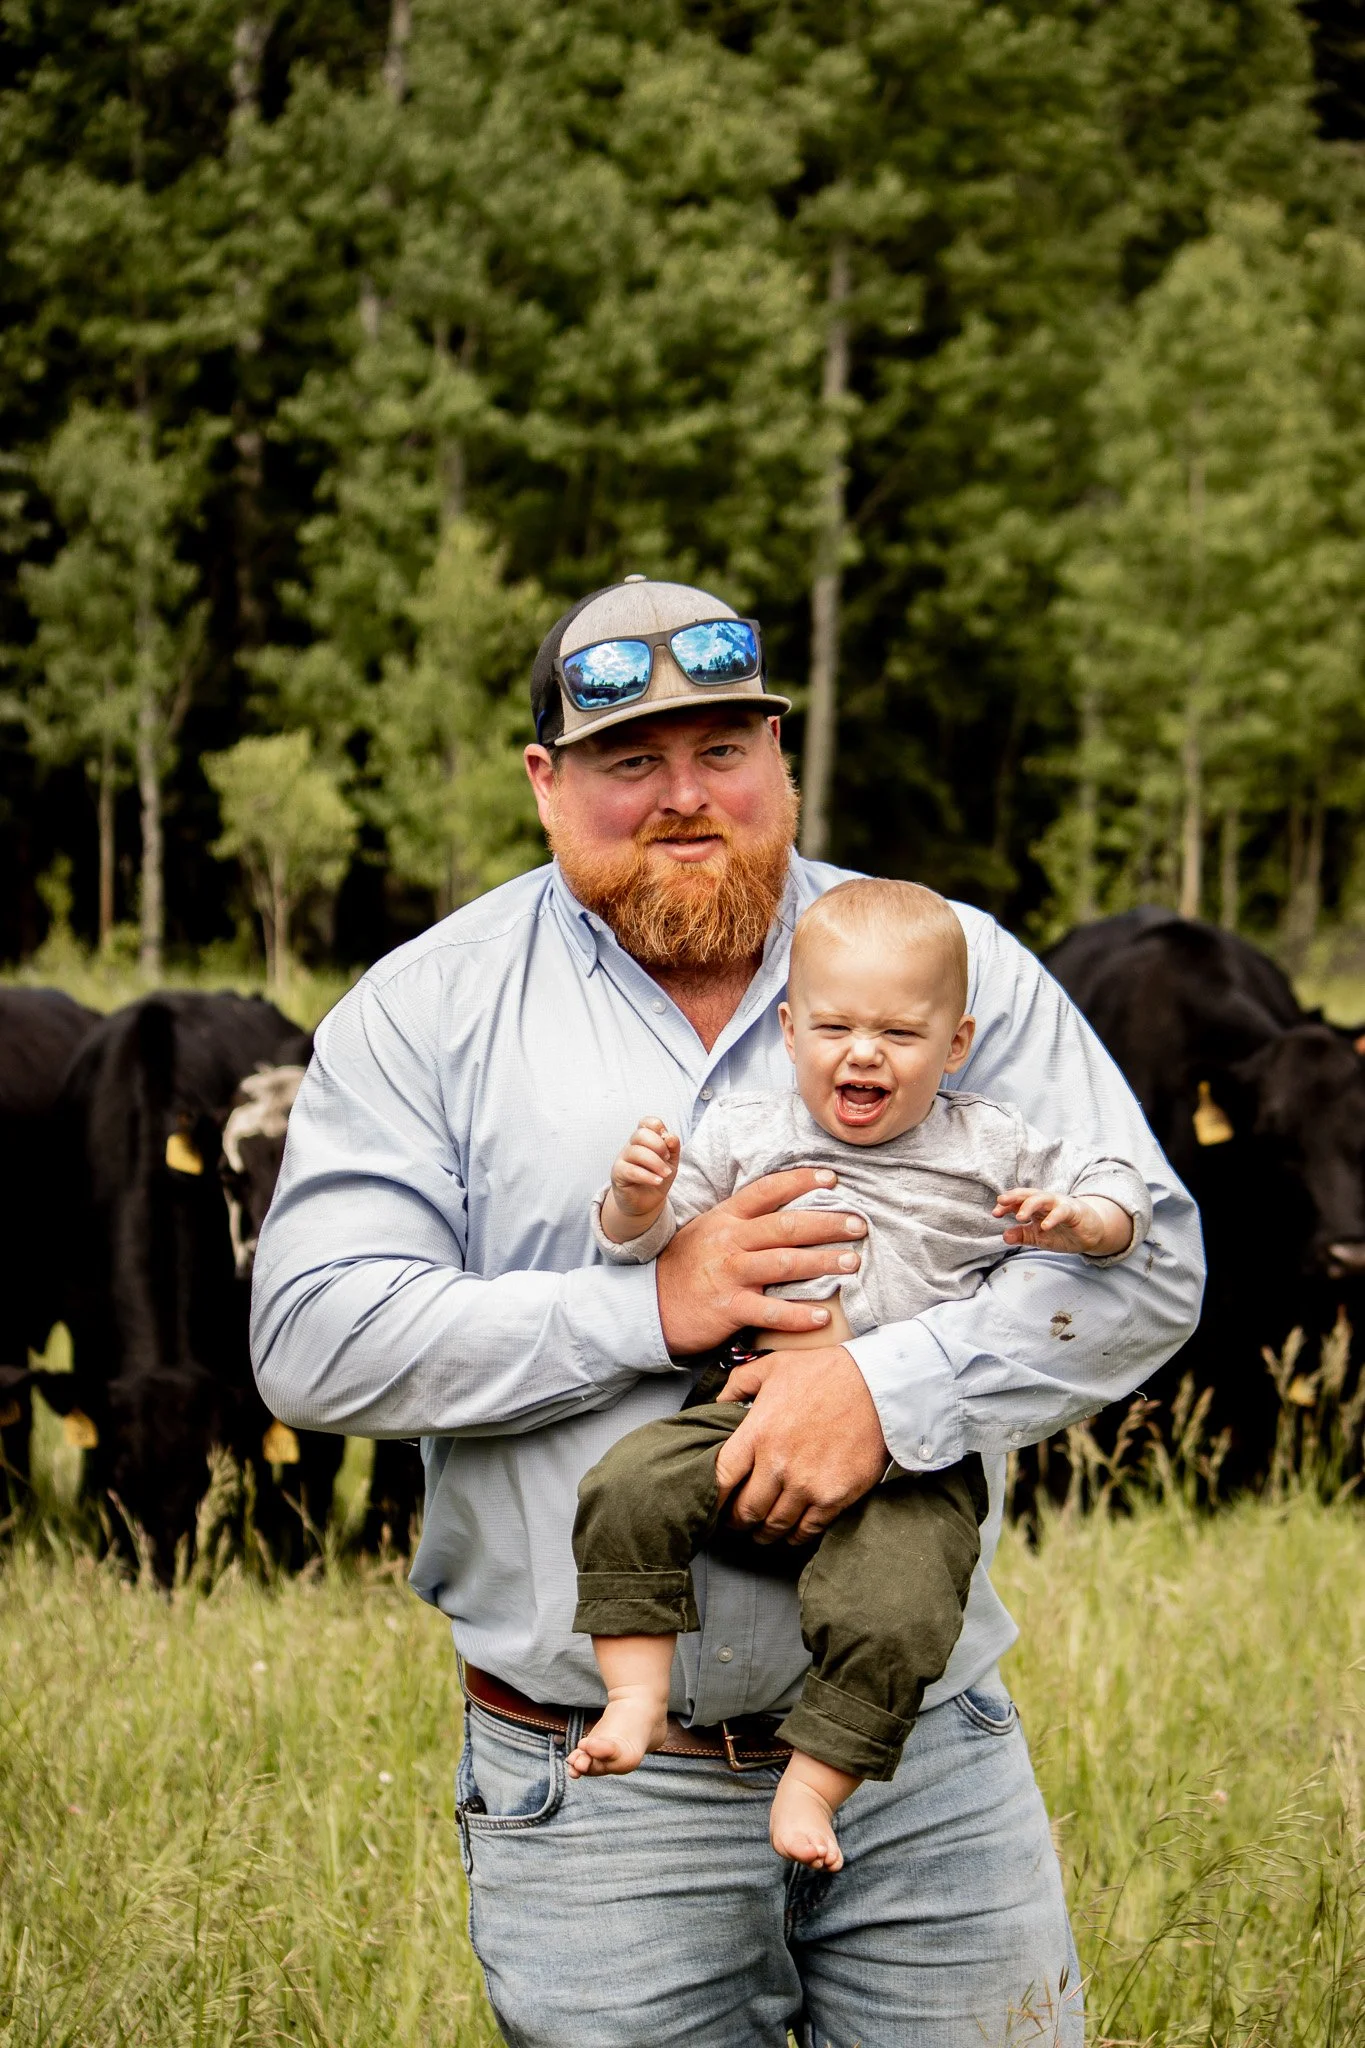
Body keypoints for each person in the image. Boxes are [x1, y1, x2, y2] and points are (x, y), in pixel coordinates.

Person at [252, 574, 1204, 2048]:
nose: (684, 796)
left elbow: (1145, 1263)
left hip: (924, 1764)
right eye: (631, 761)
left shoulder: (950, 968)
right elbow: (313, 1335)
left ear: (782, 756)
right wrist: (652, 1306)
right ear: (546, 782)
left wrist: (887, 1392)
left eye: (722, 750)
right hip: (600, 1790)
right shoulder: (420, 1009)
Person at [568, 877, 1151, 1877]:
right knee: (625, 1484)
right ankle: (633, 1693)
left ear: (956, 1043)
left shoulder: (989, 1140)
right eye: (835, 1025)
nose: (863, 1051)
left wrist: (1084, 1221)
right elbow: (644, 1246)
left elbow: (1119, 1181)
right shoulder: (747, 1131)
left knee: (907, 1600)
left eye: (900, 1031)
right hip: (742, 1396)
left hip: (915, 1450)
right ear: (791, 1028)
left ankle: (820, 1773)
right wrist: (636, 1199)